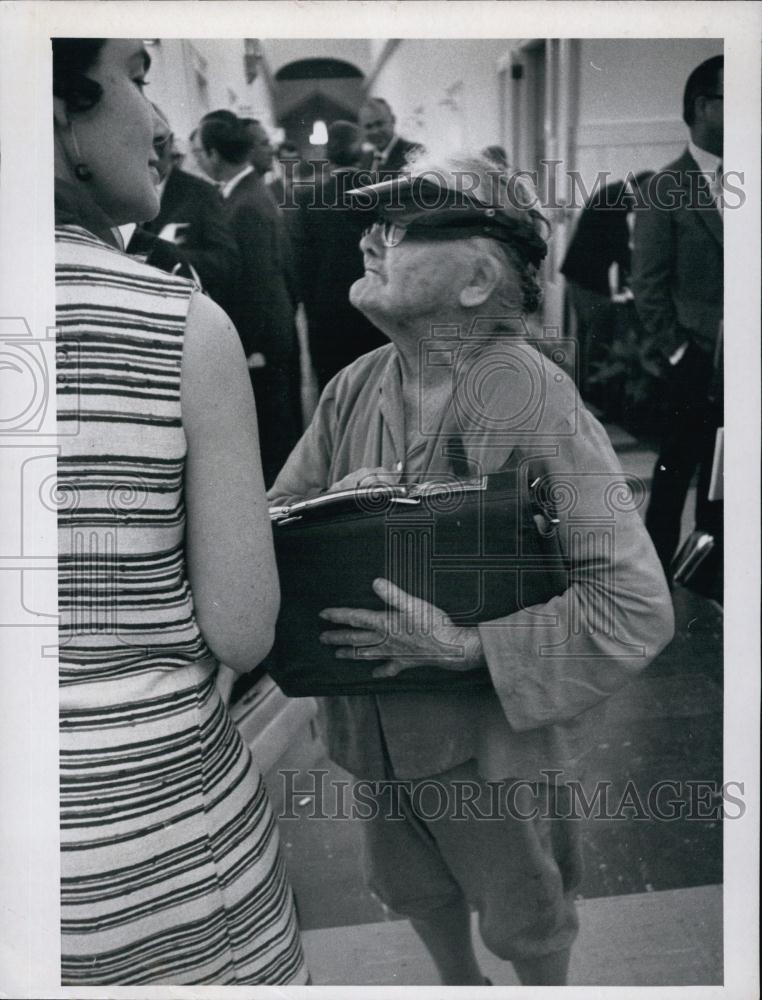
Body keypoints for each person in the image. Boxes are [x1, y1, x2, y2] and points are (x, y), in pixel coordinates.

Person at [269, 153, 674, 986]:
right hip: (368, 730)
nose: (374, 238)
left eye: (408, 227)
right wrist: (331, 509)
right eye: (378, 222)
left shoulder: (536, 401)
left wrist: (466, 649)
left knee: (527, 909)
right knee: (411, 885)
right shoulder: (354, 385)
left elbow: (635, 604)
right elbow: (275, 523)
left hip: (487, 749)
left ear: (478, 279)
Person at [53, 39, 308, 985]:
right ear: (56, 103)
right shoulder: (174, 323)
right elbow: (242, 628)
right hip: (144, 836)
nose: (160, 124)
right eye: (136, 75)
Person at [630, 55, 723, 594]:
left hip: (742, 359)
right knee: (675, 473)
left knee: (727, 476)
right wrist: (680, 355)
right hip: (694, 360)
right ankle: (652, 582)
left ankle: (712, 571)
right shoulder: (666, 188)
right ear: (702, 107)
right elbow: (648, 288)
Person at [192, 112, 302, 486]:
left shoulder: (245, 204)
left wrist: (251, 347)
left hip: (262, 343)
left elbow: (257, 281)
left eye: (198, 152)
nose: (196, 160)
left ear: (214, 155)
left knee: (272, 438)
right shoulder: (248, 194)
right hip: (272, 333)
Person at [298, 120, 388, 389]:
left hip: (328, 312)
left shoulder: (309, 197)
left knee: (335, 391)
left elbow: (303, 262)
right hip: (377, 306)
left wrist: (311, 308)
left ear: (327, 155)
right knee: (378, 387)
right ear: (361, 152)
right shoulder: (382, 193)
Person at [126, 103, 241, 311]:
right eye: (144, 142)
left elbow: (226, 261)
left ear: (171, 143)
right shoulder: (123, 194)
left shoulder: (200, 192)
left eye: (159, 142)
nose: (152, 154)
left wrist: (169, 254)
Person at [561, 172, 654, 396]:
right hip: (587, 277)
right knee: (598, 332)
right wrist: (640, 273)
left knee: (586, 334)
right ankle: (591, 393)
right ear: (640, 189)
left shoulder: (614, 193)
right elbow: (620, 247)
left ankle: (581, 390)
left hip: (580, 273)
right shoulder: (617, 198)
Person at [358, 97, 423, 177]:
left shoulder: (414, 152)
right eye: (368, 126)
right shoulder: (364, 161)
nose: (375, 131)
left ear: (393, 120)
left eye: (379, 124)